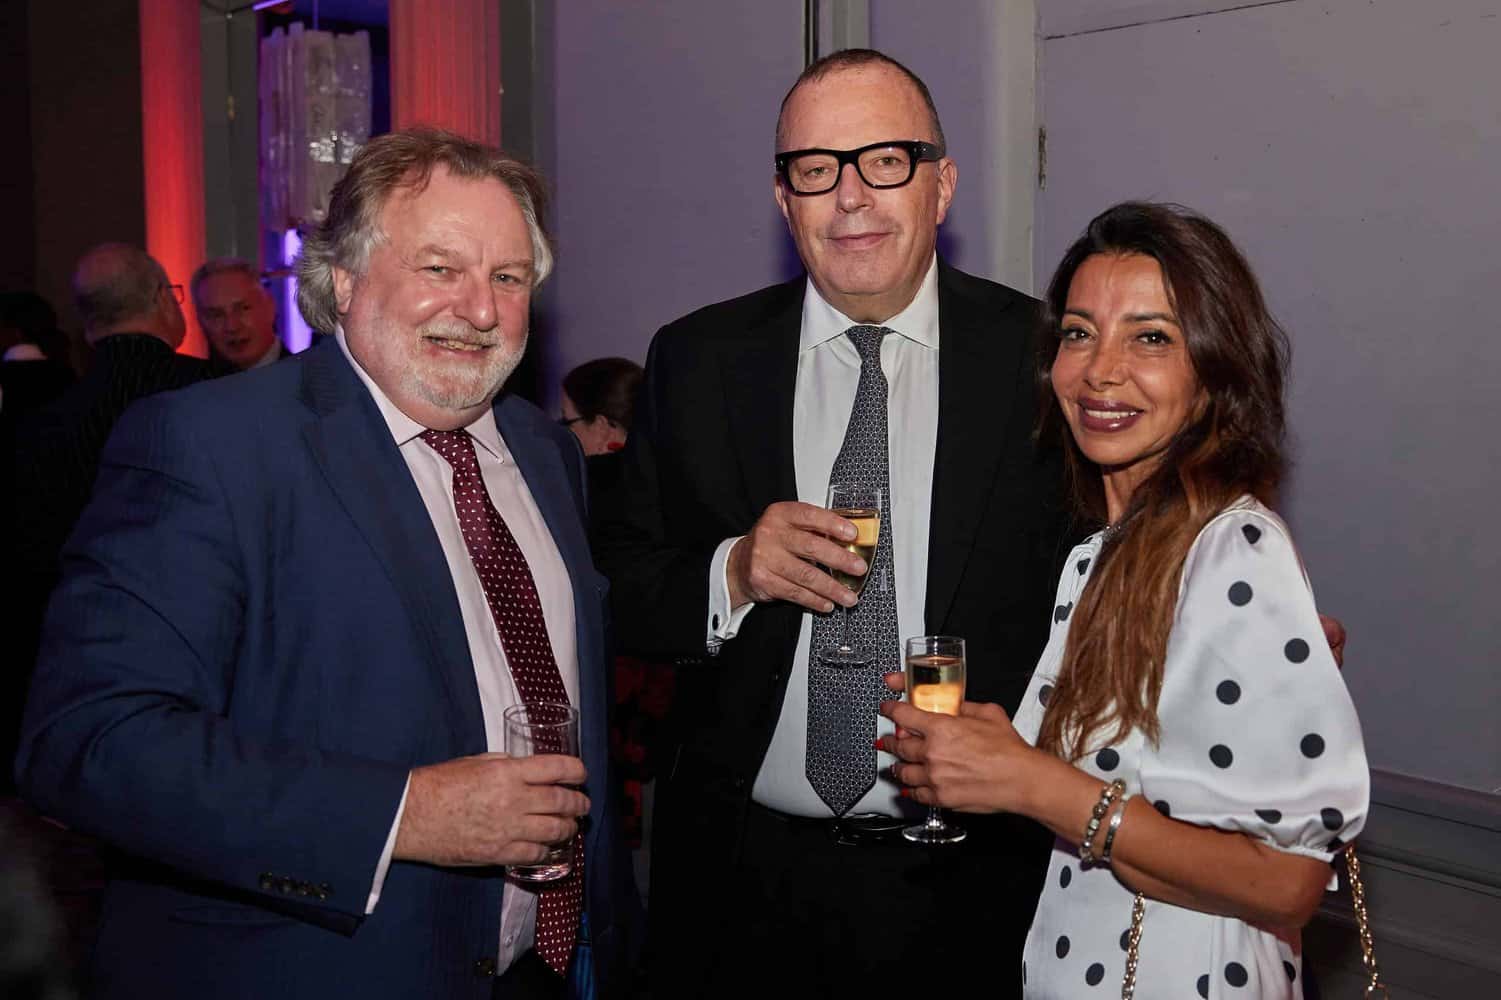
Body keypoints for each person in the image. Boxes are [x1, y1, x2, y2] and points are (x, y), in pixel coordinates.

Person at [16, 128, 638, 999]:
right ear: (343, 280)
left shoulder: (543, 449)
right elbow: (87, 741)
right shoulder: (212, 445)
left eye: (506, 278)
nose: (482, 309)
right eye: (439, 269)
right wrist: (400, 816)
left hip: (549, 966)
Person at [594, 49, 1069, 997]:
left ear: (942, 185)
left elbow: (1110, 579)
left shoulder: (1041, 360)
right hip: (738, 881)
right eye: (816, 169)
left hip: (974, 884)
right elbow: (619, 589)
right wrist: (732, 571)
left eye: (884, 159)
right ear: (784, 200)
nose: (849, 197)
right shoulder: (695, 360)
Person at [883, 202, 1369, 998]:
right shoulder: (1107, 553)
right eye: (1077, 333)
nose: (1100, 370)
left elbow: (1287, 884)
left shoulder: (1230, 546)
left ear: (1214, 370)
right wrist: (997, 754)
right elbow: (1130, 789)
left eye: (1150, 337)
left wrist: (1028, 782)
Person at [5, 247, 206, 785]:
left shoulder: (43, 424)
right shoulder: (221, 397)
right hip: (210, 682)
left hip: (82, 689)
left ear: (89, 324)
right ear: (164, 300)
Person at [190, 257, 285, 374]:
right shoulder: (194, 387)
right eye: (216, 315)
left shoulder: (307, 379)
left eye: (243, 309)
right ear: (200, 321)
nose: (232, 326)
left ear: (270, 307)